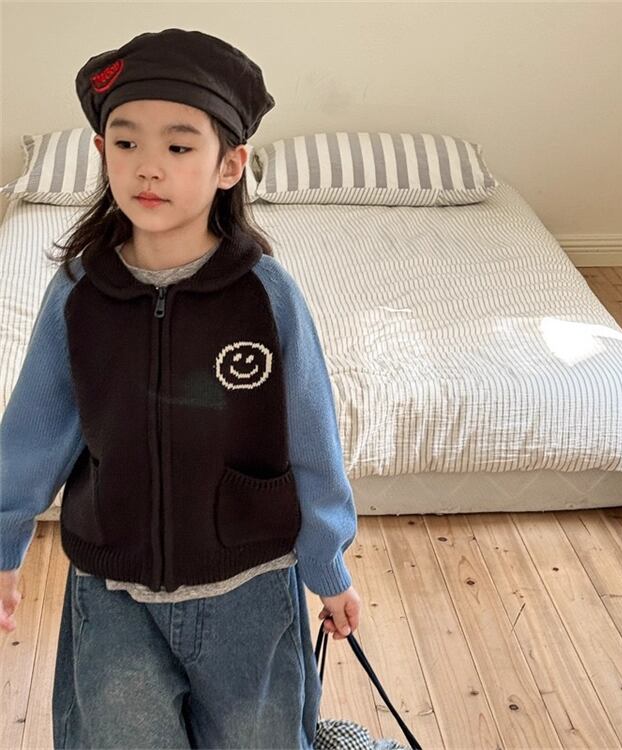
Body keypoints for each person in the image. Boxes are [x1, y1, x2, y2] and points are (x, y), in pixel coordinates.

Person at [0, 28, 361, 749]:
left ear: (229, 164)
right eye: (126, 142)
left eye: (178, 145)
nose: (148, 167)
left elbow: (311, 435)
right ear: (101, 153)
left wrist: (327, 563)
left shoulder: (265, 294)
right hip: (113, 591)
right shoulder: (79, 292)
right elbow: (34, 435)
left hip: (250, 584)